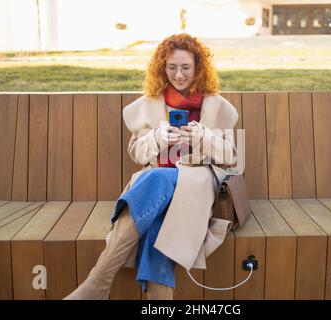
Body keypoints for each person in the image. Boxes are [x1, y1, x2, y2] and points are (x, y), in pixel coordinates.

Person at [64, 33, 239, 300]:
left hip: (196, 185)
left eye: (185, 68)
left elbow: (231, 155)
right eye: (171, 67)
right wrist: (158, 138)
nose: (178, 75)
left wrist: (201, 136)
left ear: (198, 68)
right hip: (155, 192)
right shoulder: (149, 105)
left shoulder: (216, 106)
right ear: (162, 68)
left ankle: (97, 283)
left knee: (158, 180)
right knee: (159, 219)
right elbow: (137, 152)